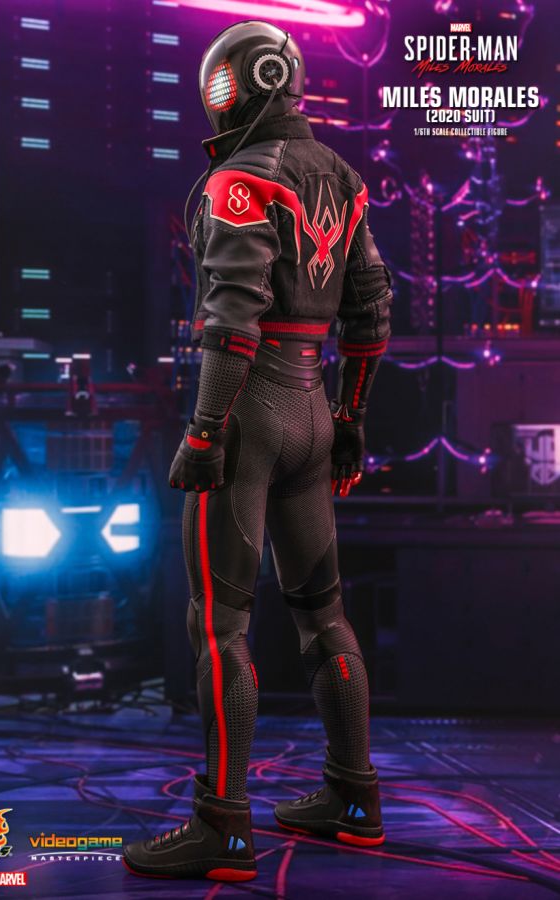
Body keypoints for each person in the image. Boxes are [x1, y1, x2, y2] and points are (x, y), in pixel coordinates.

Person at [124, 19, 392, 883]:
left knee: (219, 624)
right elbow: (372, 310)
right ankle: (355, 798)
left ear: (236, 84)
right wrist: (349, 419)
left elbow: (232, 317)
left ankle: (224, 826)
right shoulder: (343, 176)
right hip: (316, 408)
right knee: (324, 614)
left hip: (247, 412)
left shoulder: (238, 178)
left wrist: (205, 429)